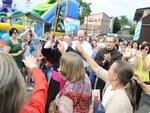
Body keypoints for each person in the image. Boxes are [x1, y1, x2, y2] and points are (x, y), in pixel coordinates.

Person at [76, 43, 139, 113]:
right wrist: (82, 51)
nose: (108, 70)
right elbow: (96, 68)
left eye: (110, 69)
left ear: (115, 76)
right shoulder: (111, 82)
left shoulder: (119, 103)